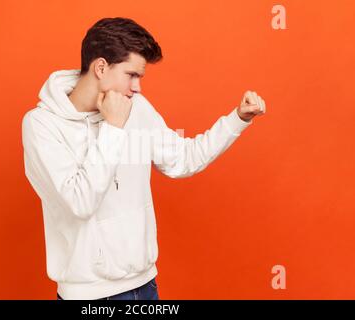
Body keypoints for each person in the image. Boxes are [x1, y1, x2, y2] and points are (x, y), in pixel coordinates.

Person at [21, 17, 266, 300]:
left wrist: (237, 120)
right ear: (101, 67)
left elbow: (183, 160)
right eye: (131, 75)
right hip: (88, 296)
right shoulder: (42, 125)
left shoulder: (136, 108)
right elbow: (80, 202)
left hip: (145, 285)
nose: (137, 88)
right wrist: (113, 128)